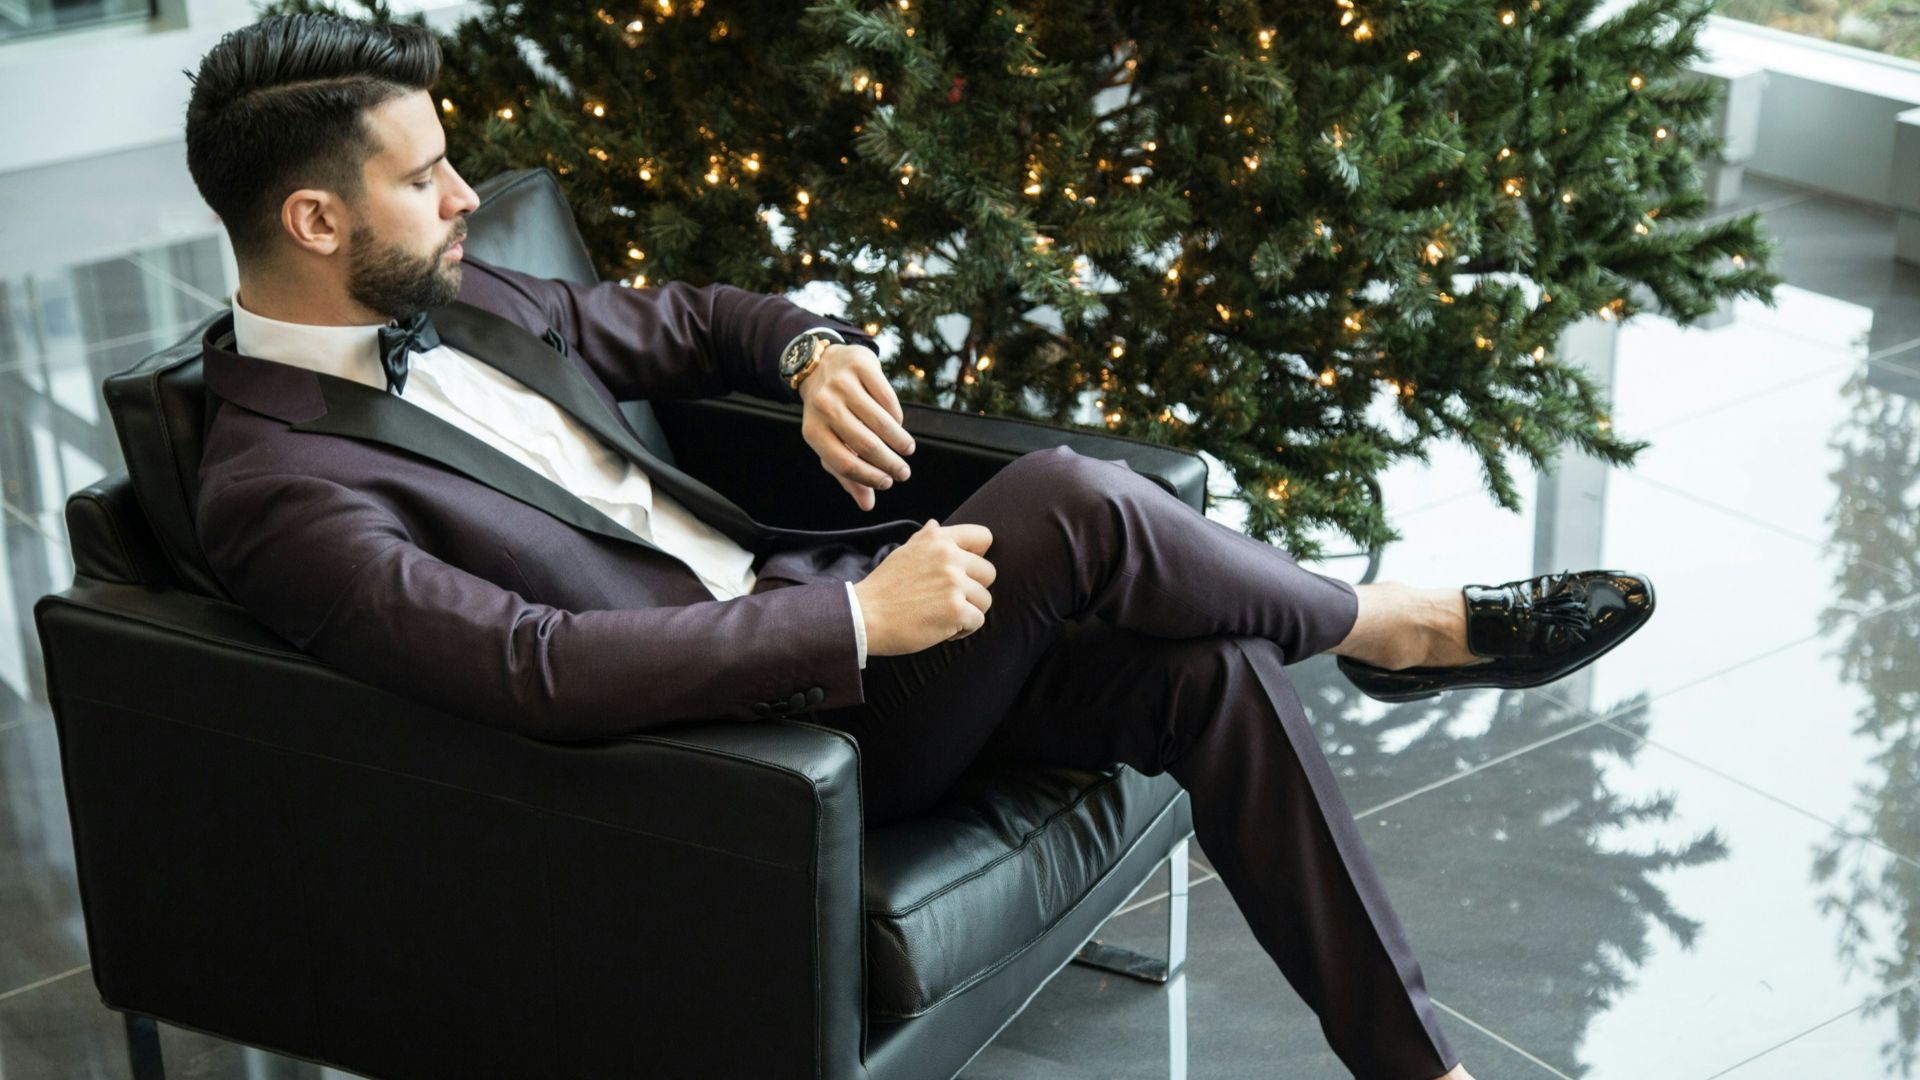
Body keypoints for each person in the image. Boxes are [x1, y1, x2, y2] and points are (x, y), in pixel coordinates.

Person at [181, 13, 1654, 1080]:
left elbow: (698, 323)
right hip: (756, 755)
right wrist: (858, 627)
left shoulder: (471, 298)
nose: (462, 198)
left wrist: (817, 352)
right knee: (1067, 497)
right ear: (314, 217)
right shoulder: (278, 485)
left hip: (836, 638)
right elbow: (532, 668)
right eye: (424, 176)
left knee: (1205, 673)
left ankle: (1418, 1072)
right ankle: (1387, 628)